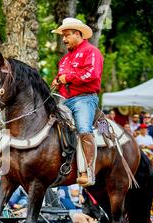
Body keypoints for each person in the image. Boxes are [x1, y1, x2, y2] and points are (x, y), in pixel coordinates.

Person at [51, 18, 104, 186]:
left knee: (83, 128)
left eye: (67, 35)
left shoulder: (91, 51)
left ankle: (88, 171)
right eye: (63, 36)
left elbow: (93, 74)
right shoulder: (65, 59)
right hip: (64, 99)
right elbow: (62, 76)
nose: (64, 39)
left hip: (84, 98)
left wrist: (69, 78)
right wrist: (57, 80)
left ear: (78, 34)